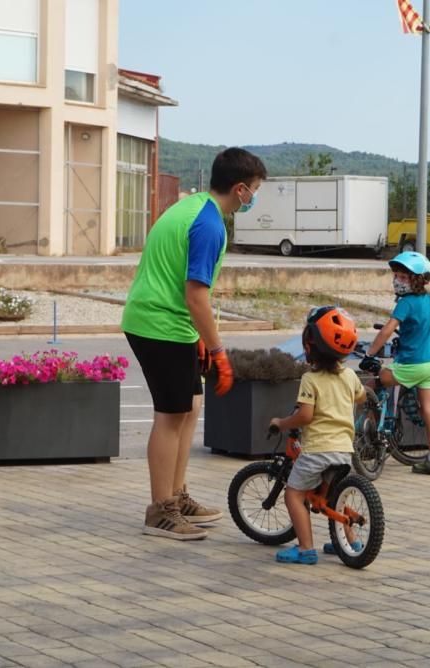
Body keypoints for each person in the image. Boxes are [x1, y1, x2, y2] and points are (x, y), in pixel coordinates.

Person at [122, 147, 267, 541]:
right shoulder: (209, 225)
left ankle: (177, 494)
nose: (254, 198)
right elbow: (195, 295)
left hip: (171, 323)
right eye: (254, 190)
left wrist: (201, 337)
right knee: (170, 415)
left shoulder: (194, 208)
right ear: (239, 189)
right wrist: (218, 350)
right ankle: (160, 510)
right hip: (159, 324)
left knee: (191, 406)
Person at [269, 306, 365, 565]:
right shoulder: (349, 375)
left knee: (293, 494)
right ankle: (351, 542)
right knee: (336, 495)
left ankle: (305, 548)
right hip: (344, 450)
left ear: (310, 345)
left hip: (317, 450)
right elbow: (362, 396)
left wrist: (283, 422)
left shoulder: (310, 379)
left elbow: (305, 416)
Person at [359, 251, 430, 475]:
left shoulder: (406, 303)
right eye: (396, 275)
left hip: (410, 365)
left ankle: (374, 432)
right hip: (429, 365)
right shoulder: (428, 299)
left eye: (402, 276)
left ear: (417, 279)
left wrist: (370, 355)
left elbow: (388, 330)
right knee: (428, 411)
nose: (397, 280)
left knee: (372, 382)